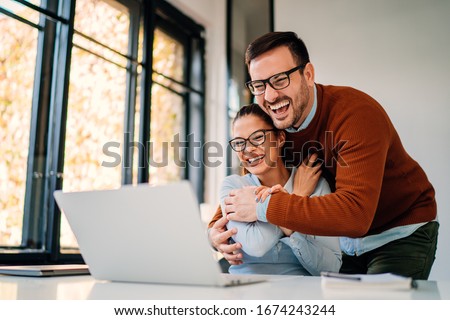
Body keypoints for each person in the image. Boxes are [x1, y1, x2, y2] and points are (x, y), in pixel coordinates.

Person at [208, 31, 438, 280]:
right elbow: (250, 184)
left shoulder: (355, 115)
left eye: (280, 79)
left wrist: (267, 207)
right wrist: (214, 231)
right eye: (259, 85)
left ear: (308, 75)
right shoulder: (278, 124)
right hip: (344, 243)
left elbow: (355, 214)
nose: (270, 96)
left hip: (398, 230)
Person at [218, 103, 341, 275]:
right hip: (244, 293)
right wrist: (295, 198)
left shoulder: (315, 184)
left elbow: (331, 266)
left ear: (280, 138)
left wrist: (275, 214)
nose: (248, 150)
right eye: (239, 143)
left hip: (301, 293)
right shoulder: (234, 186)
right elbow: (257, 246)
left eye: (257, 137)